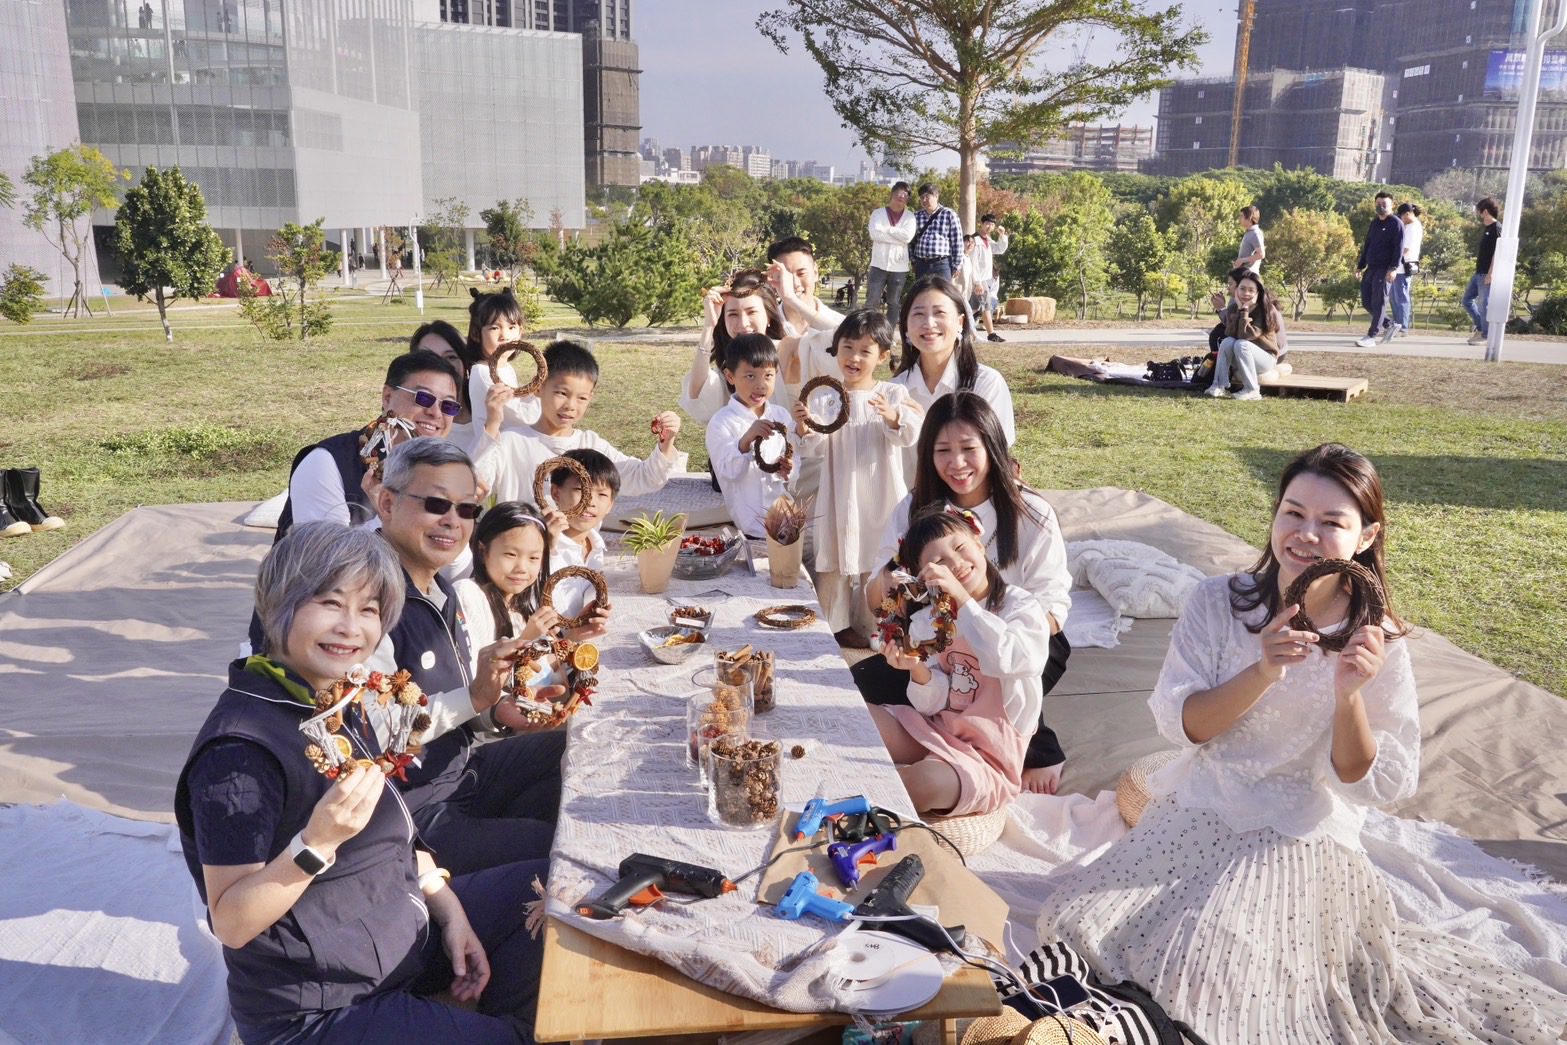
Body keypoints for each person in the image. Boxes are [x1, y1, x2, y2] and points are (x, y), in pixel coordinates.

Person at [1033, 443, 1567, 1041]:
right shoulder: (1216, 603)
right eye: (1293, 512)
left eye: (1331, 521)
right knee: (1077, 927)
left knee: (1208, 971)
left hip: (1296, 829)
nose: (1306, 534)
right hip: (1203, 802)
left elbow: (1369, 781)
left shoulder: (1377, 639)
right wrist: (1263, 670)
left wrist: (1349, 695)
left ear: (1366, 537)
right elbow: (1185, 726)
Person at [175, 521, 549, 1043]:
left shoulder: (337, 699)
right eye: (330, 602)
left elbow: (396, 838)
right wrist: (315, 844)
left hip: (402, 938)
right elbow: (233, 922)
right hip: (323, 1006)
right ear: (278, 604)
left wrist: (450, 912)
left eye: (369, 609)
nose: (351, 627)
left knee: (553, 890)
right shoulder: (239, 754)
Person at [365, 439, 564, 876]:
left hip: (463, 769)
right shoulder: (365, 599)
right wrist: (475, 698)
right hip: (413, 808)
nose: (452, 521)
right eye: (436, 504)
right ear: (387, 503)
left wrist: (497, 708)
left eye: (467, 509)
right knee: (562, 850)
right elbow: (375, 732)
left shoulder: (440, 589)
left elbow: (463, 705)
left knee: (576, 754)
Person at [858, 391, 1072, 793]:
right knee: (861, 687)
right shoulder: (914, 509)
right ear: (928, 455)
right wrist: (898, 576)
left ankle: (1036, 745)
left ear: (991, 446)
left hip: (1021, 635)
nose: (957, 463)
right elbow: (877, 600)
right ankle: (948, 737)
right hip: (941, 639)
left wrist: (990, 633)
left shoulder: (1030, 511)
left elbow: (1052, 608)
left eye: (969, 448)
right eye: (943, 451)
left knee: (999, 681)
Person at [868, 507, 1051, 815]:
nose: (955, 563)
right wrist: (916, 669)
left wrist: (964, 602)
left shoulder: (1020, 606)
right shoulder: (930, 620)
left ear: (979, 545)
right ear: (927, 579)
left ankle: (868, 796)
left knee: (923, 784)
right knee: (857, 717)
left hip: (988, 759)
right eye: (940, 563)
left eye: (960, 547)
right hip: (936, 732)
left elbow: (1012, 659)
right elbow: (933, 704)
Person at [792, 310, 923, 648]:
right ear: (836, 350)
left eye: (865, 351)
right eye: (847, 348)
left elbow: (909, 434)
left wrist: (893, 417)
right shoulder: (826, 397)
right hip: (839, 491)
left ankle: (875, 625)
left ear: (882, 356)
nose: (854, 358)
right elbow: (816, 446)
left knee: (877, 558)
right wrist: (804, 427)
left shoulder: (891, 394)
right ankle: (833, 625)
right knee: (833, 561)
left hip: (880, 492)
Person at [274, 350, 461, 542]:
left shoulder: (444, 473)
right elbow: (328, 556)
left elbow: (454, 558)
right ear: (387, 397)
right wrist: (387, 515)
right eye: (423, 398)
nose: (435, 413)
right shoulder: (327, 463)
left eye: (448, 406)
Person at [470, 340, 682, 506]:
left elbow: (642, 478)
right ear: (538, 387)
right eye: (562, 393)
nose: (570, 406)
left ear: (591, 397)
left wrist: (666, 443)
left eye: (582, 398)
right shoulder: (511, 442)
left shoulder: (591, 446)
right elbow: (475, 484)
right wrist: (493, 423)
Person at [890, 275, 1017, 481]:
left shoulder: (986, 383)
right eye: (919, 314)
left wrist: (922, 428)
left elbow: (994, 457)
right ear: (905, 326)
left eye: (939, 313)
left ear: (960, 322)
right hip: (909, 501)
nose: (929, 323)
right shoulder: (894, 391)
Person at [705, 333, 795, 538]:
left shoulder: (781, 416)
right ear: (730, 376)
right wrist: (745, 441)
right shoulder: (721, 422)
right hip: (750, 526)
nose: (760, 385)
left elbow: (793, 458)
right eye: (750, 376)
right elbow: (728, 472)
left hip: (784, 520)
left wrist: (789, 468)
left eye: (768, 376)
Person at [681, 269, 786, 424]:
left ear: (769, 316)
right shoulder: (728, 367)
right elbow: (697, 397)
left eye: (751, 312)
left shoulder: (787, 353)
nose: (743, 323)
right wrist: (709, 325)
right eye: (733, 314)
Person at [466, 288, 542, 438]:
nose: (505, 336)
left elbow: (515, 403)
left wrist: (531, 394)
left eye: (511, 327)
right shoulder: (482, 373)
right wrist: (541, 397)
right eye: (495, 328)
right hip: (495, 447)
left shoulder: (506, 368)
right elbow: (522, 418)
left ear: (520, 331)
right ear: (476, 334)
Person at [1204, 269, 1286, 401]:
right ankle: (1219, 385)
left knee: (1241, 344)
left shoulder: (1264, 309)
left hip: (1265, 358)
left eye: (1251, 290)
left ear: (1258, 292)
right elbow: (1230, 333)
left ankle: (1252, 390)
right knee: (1227, 341)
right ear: (1237, 290)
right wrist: (1239, 309)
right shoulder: (1233, 307)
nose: (1246, 293)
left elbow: (1246, 336)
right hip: (1244, 355)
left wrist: (1244, 311)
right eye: (1242, 289)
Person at [411, 320, 480, 451]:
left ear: (465, 364)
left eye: (450, 357)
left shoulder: (489, 410)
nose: (440, 365)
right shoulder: (414, 424)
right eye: (428, 358)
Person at [1354, 192, 1405, 348]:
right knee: (1366, 301)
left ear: (1392, 206)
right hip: (1371, 267)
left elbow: (1399, 248)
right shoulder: (1374, 223)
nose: (1381, 207)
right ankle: (1390, 324)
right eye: (1378, 204)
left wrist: (1393, 268)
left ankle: (1371, 336)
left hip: (1385, 269)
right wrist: (1360, 265)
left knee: (1379, 301)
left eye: (1384, 204)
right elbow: (1367, 245)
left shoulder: (1396, 223)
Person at [866, 182, 917, 317]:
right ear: (892, 193)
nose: (902, 196)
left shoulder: (910, 217)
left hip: (899, 267)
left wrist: (888, 230)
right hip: (878, 265)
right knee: (872, 301)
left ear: (908, 199)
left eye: (905, 195)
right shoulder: (878, 213)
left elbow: (907, 237)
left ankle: (889, 330)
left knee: (893, 303)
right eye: (899, 192)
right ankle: (869, 328)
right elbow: (874, 234)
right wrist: (898, 238)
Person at [1464, 196, 1501, 346]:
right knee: (1467, 300)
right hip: (1478, 272)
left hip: (1486, 273)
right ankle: (1481, 328)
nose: (1477, 214)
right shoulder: (1487, 228)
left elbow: (1497, 253)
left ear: (1485, 212)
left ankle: (1486, 335)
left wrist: (1491, 273)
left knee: (1484, 304)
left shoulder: (1496, 228)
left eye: (1478, 211)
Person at [909, 184, 963, 281]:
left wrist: (956, 265)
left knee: (943, 290)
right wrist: (913, 261)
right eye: (922, 197)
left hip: (942, 264)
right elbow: (910, 241)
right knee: (922, 290)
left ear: (936, 196)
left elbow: (957, 242)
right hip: (921, 265)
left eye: (927, 197)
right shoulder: (916, 216)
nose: (924, 200)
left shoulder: (949, 214)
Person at [970, 213, 1009, 343]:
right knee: (983, 307)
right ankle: (990, 334)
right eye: (987, 223)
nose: (989, 227)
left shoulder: (987, 240)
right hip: (978, 280)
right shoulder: (975, 240)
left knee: (976, 308)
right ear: (981, 224)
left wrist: (1002, 236)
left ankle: (966, 331)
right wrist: (977, 282)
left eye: (992, 225)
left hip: (983, 280)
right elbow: (973, 263)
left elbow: (999, 249)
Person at [1388, 202, 1423, 340]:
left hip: (1403, 267)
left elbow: (1406, 249)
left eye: (1401, 216)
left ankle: (1403, 327)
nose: (1401, 219)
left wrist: (1392, 258)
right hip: (1400, 267)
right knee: (1394, 297)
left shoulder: (1413, 228)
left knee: (1401, 298)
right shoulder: (1411, 226)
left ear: (1407, 214)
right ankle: (1397, 325)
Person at [1235, 204, 1265, 275]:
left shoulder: (1255, 233)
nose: (1239, 219)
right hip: (1243, 273)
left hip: (1249, 275)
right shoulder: (1249, 233)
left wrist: (1242, 260)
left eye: (1241, 216)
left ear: (1249, 217)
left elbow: (1261, 254)